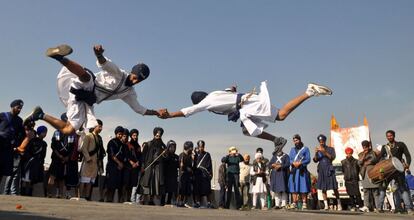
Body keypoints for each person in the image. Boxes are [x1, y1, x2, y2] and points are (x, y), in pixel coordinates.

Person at [24, 44, 165, 135]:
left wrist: (156, 112)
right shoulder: (119, 73)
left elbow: (139, 109)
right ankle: (59, 57)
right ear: (131, 72)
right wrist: (99, 54)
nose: (136, 81)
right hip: (88, 86)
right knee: (86, 76)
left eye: (139, 80)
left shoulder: (129, 93)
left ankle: (40, 114)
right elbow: (105, 64)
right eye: (135, 77)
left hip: (86, 101)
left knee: (68, 130)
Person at [160, 81, 332, 151]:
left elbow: (186, 112)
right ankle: (276, 140)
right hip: (247, 106)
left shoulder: (206, 102)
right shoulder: (215, 94)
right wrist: (232, 90)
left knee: (280, 115)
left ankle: (309, 92)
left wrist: (169, 116)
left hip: (249, 106)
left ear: (199, 101)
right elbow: (230, 90)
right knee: (252, 128)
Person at [378, 130, 413, 215]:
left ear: (394, 136)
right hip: (388, 171)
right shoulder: (385, 147)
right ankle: (379, 207)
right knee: (383, 188)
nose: (389, 137)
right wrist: (381, 170)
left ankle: (409, 209)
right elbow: (380, 158)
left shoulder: (400, 144)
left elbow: (407, 155)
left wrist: (407, 164)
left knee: (402, 189)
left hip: (398, 170)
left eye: (390, 135)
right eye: (388, 136)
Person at [48, 113, 77, 198]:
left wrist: (67, 157)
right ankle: (49, 193)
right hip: (56, 158)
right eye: (69, 120)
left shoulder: (71, 133)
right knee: (52, 176)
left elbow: (71, 148)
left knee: (61, 178)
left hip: (65, 159)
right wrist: (59, 156)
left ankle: (60, 194)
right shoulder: (56, 132)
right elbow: (53, 146)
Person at [1, 99, 26, 195]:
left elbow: (21, 136)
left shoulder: (20, 121)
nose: (19, 109)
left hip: (8, 149)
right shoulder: (2, 116)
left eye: (21, 108)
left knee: (3, 172)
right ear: (12, 106)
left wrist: (17, 146)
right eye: (18, 107)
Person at [313, 134, 341, 211]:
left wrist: (324, 152)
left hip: (329, 168)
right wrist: (315, 153)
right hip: (321, 170)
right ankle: (326, 205)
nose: (321, 143)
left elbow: (332, 157)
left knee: (334, 187)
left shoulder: (331, 149)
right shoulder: (318, 150)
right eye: (320, 141)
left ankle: (339, 204)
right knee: (323, 188)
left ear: (325, 141)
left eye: (322, 141)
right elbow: (315, 160)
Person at [140, 127, 167, 206]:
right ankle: (144, 200)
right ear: (154, 135)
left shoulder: (163, 146)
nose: (158, 137)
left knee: (157, 184)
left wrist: (165, 153)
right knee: (147, 183)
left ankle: (153, 201)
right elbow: (143, 157)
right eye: (157, 135)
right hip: (149, 167)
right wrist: (142, 166)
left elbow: (166, 157)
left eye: (159, 136)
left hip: (158, 168)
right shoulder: (148, 144)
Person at [20, 126, 48, 196]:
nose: (45, 134)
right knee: (26, 179)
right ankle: (24, 193)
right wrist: (30, 159)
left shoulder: (44, 143)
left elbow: (43, 155)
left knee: (33, 179)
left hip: (37, 164)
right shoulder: (32, 141)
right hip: (29, 163)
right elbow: (28, 151)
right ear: (40, 132)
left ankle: (29, 194)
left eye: (45, 132)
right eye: (43, 132)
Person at [79, 120, 102, 200]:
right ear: (94, 126)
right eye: (99, 126)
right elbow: (83, 148)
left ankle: (87, 196)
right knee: (84, 180)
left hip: (95, 163)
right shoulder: (88, 136)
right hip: (88, 162)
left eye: (101, 127)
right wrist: (88, 158)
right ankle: (81, 196)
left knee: (90, 181)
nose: (101, 128)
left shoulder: (98, 138)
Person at [288, 134, 311, 210]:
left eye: (297, 140)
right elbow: (290, 159)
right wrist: (293, 163)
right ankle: (294, 202)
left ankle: (304, 203)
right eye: (294, 141)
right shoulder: (292, 149)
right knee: (293, 187)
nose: (296, 142)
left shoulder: (305, 149)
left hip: (302, 170)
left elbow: (308, 159)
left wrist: (301, 163)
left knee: (303, 186)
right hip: (294, 170)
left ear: (300, 140)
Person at [358, 140, 381, 212]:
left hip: (373, 172)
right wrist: (364, 155)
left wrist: (369, 162)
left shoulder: (373, 152)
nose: (365, 148)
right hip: (364, 173)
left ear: (369, 146)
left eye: (366, 147)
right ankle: (366, 206)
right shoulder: (361, 154)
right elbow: (359, 162)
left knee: (375, 191)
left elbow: (375, 159)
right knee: (366, 191)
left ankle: (378, 207)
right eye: (364, 147)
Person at [105, 126, 126, 202]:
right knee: (110, 185)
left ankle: (116, 201)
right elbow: (112, 155)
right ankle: (108, 200)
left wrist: (122, 164)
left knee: (118, 185)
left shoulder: (122, 144)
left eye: (121, 134)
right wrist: (119, 163)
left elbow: (124, 156)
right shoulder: (111, 142)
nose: (120, 136)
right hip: (112, 166)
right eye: (119, 134)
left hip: (119, 168)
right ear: (116, 133)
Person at [341, 147, 362, 211]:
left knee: (357, 194)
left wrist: (355, 175)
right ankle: (353, 206)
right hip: (347, 179)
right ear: (346, 153)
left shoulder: (356, 161)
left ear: (352, 153)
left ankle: (360, 206)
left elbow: (358, 169)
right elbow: (343, 170)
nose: (349, 154)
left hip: (354, 179)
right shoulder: (343, 162)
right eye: (347, 153)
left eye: (350, 153)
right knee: (350, 194)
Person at [193, 140, 213, 208]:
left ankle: (209, 203)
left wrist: (210, 174)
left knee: (207, 189)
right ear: (198, 147)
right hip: (197, 174)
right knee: (197, 189)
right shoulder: (195, 155)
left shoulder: (207, 154)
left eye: (202, 147)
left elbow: (209, 165)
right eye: (200, 147)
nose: (201, 148)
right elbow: (194, 165)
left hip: (205, 175)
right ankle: (198, 202)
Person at [163, 140, 179, 207]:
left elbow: (178, 166)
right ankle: (162, 202)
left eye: (174, 147)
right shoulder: (165, 155)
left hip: (173, 176)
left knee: (171, 190)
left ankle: (169, 202)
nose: (172, 149)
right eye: (171, 147)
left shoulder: (176, 157)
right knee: (165, 190)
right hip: (166, 175)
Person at [128, 129, 142, 204]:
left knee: (136, 183)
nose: (135, 137)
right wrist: (132, 163)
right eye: (133, 135)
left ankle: (133, 200)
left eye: (136, 135)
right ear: (131, 136)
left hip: (137, 168)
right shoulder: (128, 144)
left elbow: (140, 156)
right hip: (129, 167)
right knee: (129, 183)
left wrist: (137, 163)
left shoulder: (138, 146)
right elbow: (127, 155)